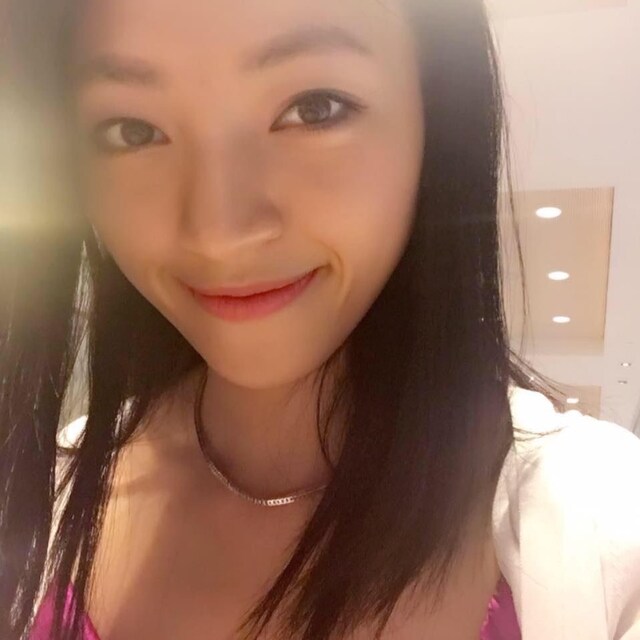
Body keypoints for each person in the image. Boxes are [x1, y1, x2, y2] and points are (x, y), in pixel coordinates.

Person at [0, 0, 638, 639]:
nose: (219, 233)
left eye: (315, 107)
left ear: (436, 117)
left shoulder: (606, 527)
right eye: (134, 130)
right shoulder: (40, 496)